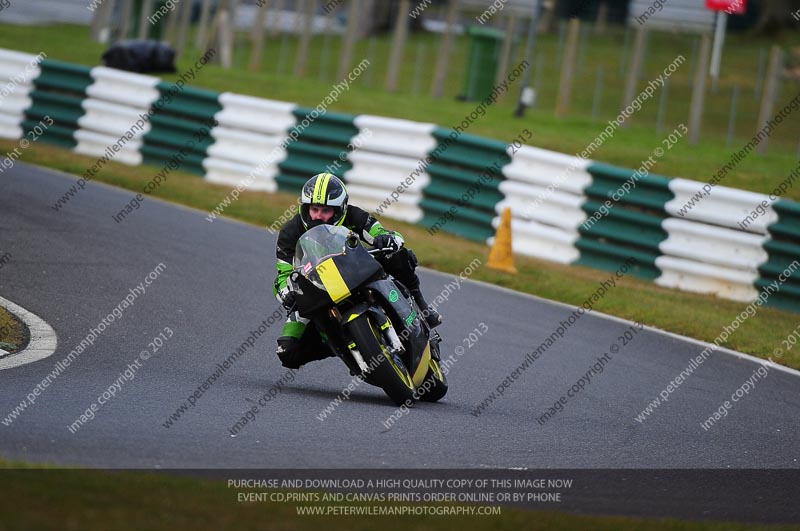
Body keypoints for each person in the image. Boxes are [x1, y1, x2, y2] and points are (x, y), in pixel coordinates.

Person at [273, 172, 442, 370]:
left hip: (356, 269)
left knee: (397, 254)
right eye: (314, 209)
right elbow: (283, 275)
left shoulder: (354, 216)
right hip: (318, 287)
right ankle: (339, 344)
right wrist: (285, 292)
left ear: (339, 209)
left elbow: (381, 233)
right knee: (288, 352)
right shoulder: (290, 234)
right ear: (305, 208)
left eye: (326, 210)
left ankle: (421, 304)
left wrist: (387, 239)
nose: (318, 216)